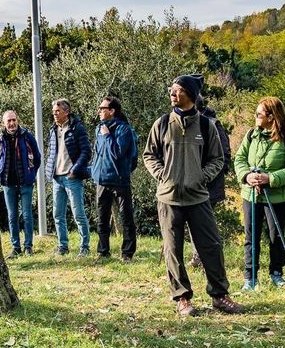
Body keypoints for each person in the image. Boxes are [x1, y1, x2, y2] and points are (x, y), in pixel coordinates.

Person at [143, 74, 244, 316]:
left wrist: (201, 177)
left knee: (211, 246)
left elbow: (218, 159)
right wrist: (163, 174)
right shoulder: (162, 123)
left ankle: (220, 295)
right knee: (173, 250)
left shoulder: (207, 126)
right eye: (171, 89)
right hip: (168, 198)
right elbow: (149, 155)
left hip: (198, 197)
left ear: (190, 94)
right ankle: (182, 298)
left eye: (178, 89)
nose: (172, 93)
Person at [233, 97, 285, 290]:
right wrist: (247, 176)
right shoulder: (250, 135)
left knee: (276, 236)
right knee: (250, 236)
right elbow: (239, 159)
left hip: (277, 197)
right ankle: (250, 277)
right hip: (251, 195)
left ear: (271, 117)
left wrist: (269, 178)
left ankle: (277, 273)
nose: (255, 117)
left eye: (258, 114)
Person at [91, 96, 138, 261]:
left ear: (112, 111)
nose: (99, 111)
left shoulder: (124, 130)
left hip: (119, 180)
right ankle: (103, 252)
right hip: (102, 180)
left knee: (126, 217)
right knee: (102, 219)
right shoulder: (99, 128)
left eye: (102, 108)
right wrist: (94, 171)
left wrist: (107, 136)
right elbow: (98, 153)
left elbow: (117, 154)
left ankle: (127, 253)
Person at [45, 99, 92, 256]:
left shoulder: (77, 128)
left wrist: (75, 169)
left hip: (72, 178)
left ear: (66, 112)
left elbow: (86, 152)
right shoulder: (53, 129)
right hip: (57, 178)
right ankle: (62, 246)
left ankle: (84, 247)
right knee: (58, 215)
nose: (54, 114)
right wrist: (49, 170)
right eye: (53, 111)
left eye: (57, 111)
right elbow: (51, 152)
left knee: (78, 214)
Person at [189, 95, 231, 269]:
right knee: (194, 221)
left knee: (204, 223)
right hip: (191, 182)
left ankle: (208, 258)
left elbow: (224, 155)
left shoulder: (213, 124)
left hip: (209, 184)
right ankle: (198, 257)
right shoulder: (187, 123)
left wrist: (206, 176)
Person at [0, 110, 42, 257]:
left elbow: (37, 158)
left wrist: (31, 174)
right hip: (8, 183)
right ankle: (16, 247)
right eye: (9, 121)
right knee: (12, 216)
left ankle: (28, 247)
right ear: (3, 123)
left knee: (27, 215)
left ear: (17, 120)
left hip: (25, 182)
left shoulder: (27, 136)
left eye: (14, 120)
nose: (12, 123)